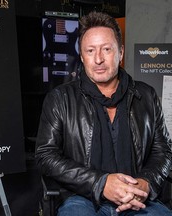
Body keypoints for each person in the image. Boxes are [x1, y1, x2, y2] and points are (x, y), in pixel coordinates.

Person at [35, 11, 172, 215]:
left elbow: (163, 151)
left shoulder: (146, 95)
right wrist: (101, 183)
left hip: (136, 195)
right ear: (82, 56)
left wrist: (146, 183)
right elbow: (46, 155)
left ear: (121, 52)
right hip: (81, 197)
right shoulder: (60, 98)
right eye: (90, 51)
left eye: (106, 49)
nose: (98, 59)